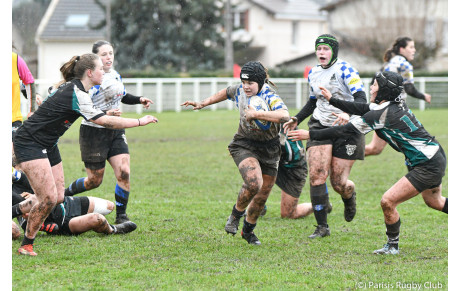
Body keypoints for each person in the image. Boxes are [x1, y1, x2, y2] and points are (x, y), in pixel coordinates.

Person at [13, 53, 158, 256]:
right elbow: (103, 121)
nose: (104, 71)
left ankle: (11, 213)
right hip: (30, 142)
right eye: (100, 68)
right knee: (47, 198)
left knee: (59, 196)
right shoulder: (76, 92)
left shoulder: (78, 90)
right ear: (90, 73)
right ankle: (27, 245)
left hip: (48, 144)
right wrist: (140, 121)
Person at [287, 71, 447, 254]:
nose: (371, 87)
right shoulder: (392, 103)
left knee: (388, 201)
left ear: (384, 89)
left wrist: (310, 135)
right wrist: (332, 100)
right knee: (435, 202)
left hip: (427, 164)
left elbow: (345, 130)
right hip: (434, 155)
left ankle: (392, 246)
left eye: (375, 84)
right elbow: (362, 107)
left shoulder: (381, 114)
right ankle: (392, 245)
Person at [181, 61, 290, 245]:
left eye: (250, 83)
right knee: (254, 182)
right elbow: (225, 92)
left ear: (261, 82)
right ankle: (235, 215)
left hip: (271, 148)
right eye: (243, 82)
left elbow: (284, 115)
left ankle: (248, 231)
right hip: (244, 144)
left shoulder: (269, 96)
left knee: (262, 196)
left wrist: (256, 115)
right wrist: (203, 103)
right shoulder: (240, 90)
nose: (246, 87)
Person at [283, 34, 367, 239]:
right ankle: (322, 227)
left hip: (347, 129)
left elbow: (362, 100)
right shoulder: (313, 73)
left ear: (334, 51)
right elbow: (313, 102)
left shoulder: (346, 70)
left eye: (325, 49)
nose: (321, 53)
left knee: (339, 183)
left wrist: (347, 113)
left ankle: (349, 196)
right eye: (318, 49)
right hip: (320, 125)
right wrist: (297, 118)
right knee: (317, 175)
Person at [63, 40, 154, 225]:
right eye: (104, 54)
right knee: (94, 181)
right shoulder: (90, 81)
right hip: (93, 133)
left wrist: (139, 99)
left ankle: (122, 216)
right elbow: (83, 108)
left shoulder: (114, 75)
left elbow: (122, 96)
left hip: (116, 129)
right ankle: (64, 196)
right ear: (96, 58)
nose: (108, 57)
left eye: (111, 53)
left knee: (124, 171)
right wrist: (106, 114)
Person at [365, 36, 432, 157]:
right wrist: (424, 96)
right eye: (411, 47)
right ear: (402, 49)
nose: (414, 50)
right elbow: (409, 89)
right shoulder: (405, 65)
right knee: (414, 144)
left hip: (382, 109)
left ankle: (340, 156)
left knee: (375, 148)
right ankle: (341, 155)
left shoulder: (389, 63)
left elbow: (373, 82)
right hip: (393, 112)